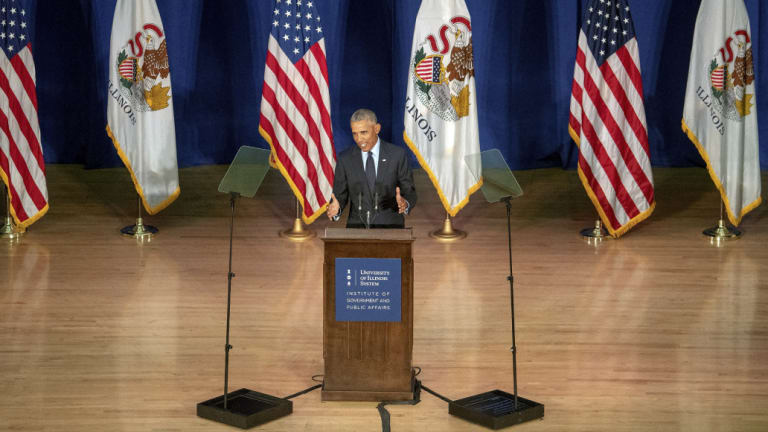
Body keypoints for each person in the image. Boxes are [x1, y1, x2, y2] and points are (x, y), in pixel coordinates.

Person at [327, 109, 417, 228]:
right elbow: (339, 196)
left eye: (363, 132)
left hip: (391, 229)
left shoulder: (397, 155)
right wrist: (336, 209)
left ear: (376, 129)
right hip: (357, 230)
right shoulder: (345, 159)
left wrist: (405, 203)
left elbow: (409, 191)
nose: (359, 139)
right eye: (355, 133)